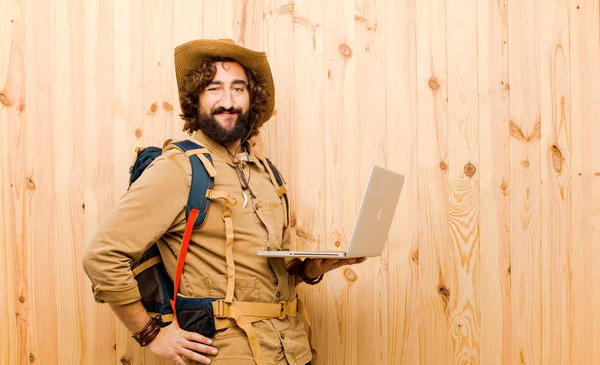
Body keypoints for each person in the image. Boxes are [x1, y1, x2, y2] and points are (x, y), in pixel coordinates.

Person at [82, 39, 366, 365]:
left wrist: (311, 269)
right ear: (196, 99)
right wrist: (151, 335)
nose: (228, 101)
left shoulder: (268, 174)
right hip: (228, 355)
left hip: (294, 351)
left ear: (252, 98)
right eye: (214, 88)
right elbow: (102, 257)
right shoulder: (179, 169)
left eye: (238, 88)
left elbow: (272, 270)